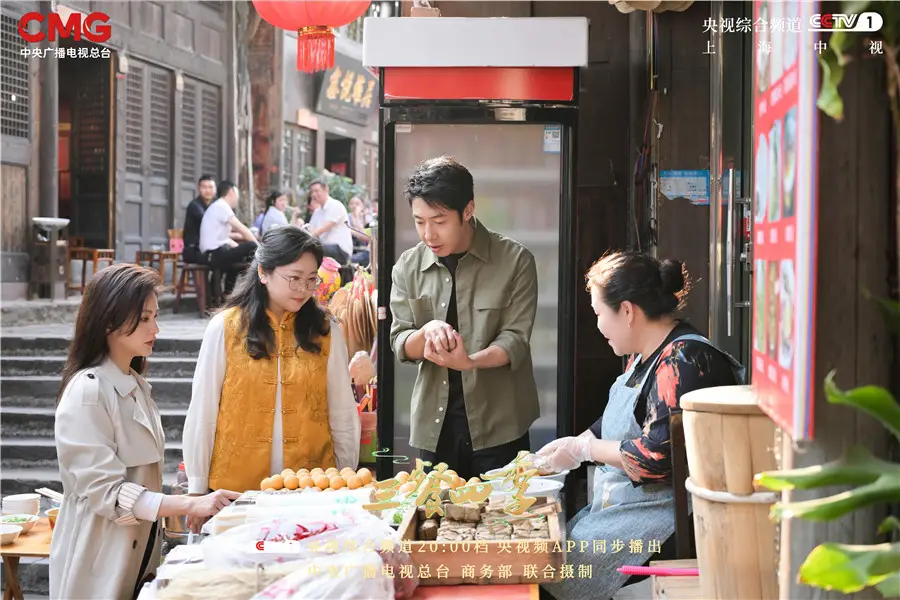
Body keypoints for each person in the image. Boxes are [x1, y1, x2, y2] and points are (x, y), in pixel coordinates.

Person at [536, 252, 745, 600]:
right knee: (550, 554)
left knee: (558, 569)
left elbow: (654, 458)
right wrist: (574, 444)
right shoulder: (643, 356)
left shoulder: (685, 360)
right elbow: (614, 422)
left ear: (628, 311)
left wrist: (585, 450)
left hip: (668, 522)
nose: (598, 326)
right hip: (627, 509)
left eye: (599, 314)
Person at [50, 264, 239, 600]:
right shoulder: (88, 392)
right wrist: (187, 504)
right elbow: (107, 493)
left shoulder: (136, 386)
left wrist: (189, 501)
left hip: (137, 558)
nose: (157, 328)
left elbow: (140, 482)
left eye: (155, 316)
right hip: (99, 564)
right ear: (109, 321)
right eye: (145, 318)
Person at [183, 227, 361, 518]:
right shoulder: (226, 328)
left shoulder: (326, 331)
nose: (303, 289)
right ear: (264, 272)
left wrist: (346, 477)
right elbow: (203, 411)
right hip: (234, 493)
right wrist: (196, 489)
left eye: (311, 279)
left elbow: (342, 411)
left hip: (311, 490)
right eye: (294, 278)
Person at [388, 156, 540, 482]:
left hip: (500, 425)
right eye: (419, 221)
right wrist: (426, 332)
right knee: (436, 524)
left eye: (439, 220)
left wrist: (468, 362)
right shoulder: (408, 266)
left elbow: (515, 339)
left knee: (504, 524)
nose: (428, 233)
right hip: (435, 426)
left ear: (468, 210)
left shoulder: (515, 261)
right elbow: (399, 340)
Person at [199, 180, 258, 295]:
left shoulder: (216, 206)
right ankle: (228, 295)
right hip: (214, 254)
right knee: (251, 247)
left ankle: (226, 296)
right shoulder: (222, 206)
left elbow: (222, 237)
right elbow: (243, 229)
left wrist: (238, 247)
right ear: (231, 192)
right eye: (237, 194)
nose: (237, 198)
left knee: (238, 260)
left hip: (212, 254)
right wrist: (259, 246)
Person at [306, 179, 353, 265]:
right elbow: (310, 229)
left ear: (326, 190)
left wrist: (305, 239)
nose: (313, 194)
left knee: (311, 249)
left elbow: (323, 228)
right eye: (312, 192)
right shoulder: (317, 211)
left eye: (316, 191)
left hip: (340, 250)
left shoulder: (335, 205)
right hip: (326, 248)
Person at [182, 174, 216, 265]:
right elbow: (209, 223)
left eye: (210, 187)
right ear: (199, 188)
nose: (208, 190)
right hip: (193, 249)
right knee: (219, 258)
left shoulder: (216, 205)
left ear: (215, 189)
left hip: (209, 247)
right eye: (204, 187)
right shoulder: (194, 205)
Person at [348, 195, 371, 264]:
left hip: (365, 250)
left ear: (363, 205)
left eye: (357, 203)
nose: (354, 206)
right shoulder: (346, 217)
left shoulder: (368, 218)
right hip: (351, 248)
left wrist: (357, 217)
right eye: (352, 203)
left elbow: (366, 237)